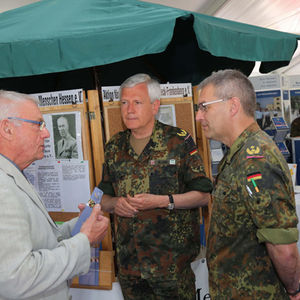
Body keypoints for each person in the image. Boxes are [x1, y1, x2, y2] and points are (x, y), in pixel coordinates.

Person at [98, 73, 213, 300]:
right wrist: (115, 204)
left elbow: (203, 195)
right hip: (130, 268)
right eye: (124, 103)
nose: (129, 109)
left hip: (171, 267)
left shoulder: (178, 141)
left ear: (155, 106)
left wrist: (164, 201)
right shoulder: (114, 146)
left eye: (137, 102)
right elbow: (100, 197)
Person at [195, 69, 300, 299]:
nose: (198, 116)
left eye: (204, 107)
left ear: (233, 106)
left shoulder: (256, 160)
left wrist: (294, 290)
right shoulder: (238, 154)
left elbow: (282, 246)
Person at [0, 90, 109, 300]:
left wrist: (79, 226)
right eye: (38, 124)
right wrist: (84, 240)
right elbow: (17, 279)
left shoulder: (14, 175)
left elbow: (39, 242)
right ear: (7, 128)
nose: (47, 134)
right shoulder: (3, 187)